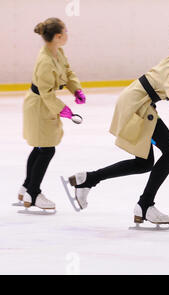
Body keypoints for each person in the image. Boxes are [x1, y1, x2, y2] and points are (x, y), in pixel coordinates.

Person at [67, 24, 169, 226]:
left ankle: (89, 180)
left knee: (144, 163)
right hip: (137, 107)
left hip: (141, 105)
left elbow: (166, 90)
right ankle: (144, 205)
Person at [19, 17, 86, 211]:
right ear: (57, 36)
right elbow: (46, 92)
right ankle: (33, 193)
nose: (67, 35)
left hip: (45, 104)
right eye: (65, 32)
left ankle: (26, 187)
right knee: (46, 149)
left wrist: (76, 89)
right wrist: (63, 110)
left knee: (41, 147)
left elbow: (67, 72)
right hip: (40, 105)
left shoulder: (58, 52)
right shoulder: (45, 61)